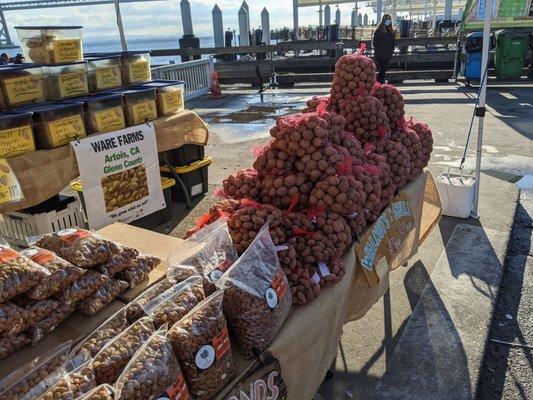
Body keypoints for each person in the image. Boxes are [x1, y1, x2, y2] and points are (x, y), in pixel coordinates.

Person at [372, 14, 395, 83]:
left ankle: (380, 83)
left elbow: (393, 42)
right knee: (381, 70)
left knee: (383, 70)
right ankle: (380, 83)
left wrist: (391, 51)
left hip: (388, 54)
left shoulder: (391, 31)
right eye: (387, 19)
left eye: (389, 19)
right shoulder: (379, 30)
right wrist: (380, 50)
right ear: (383, 20)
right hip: (380, 54)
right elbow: (375, 43)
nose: (389, 21)